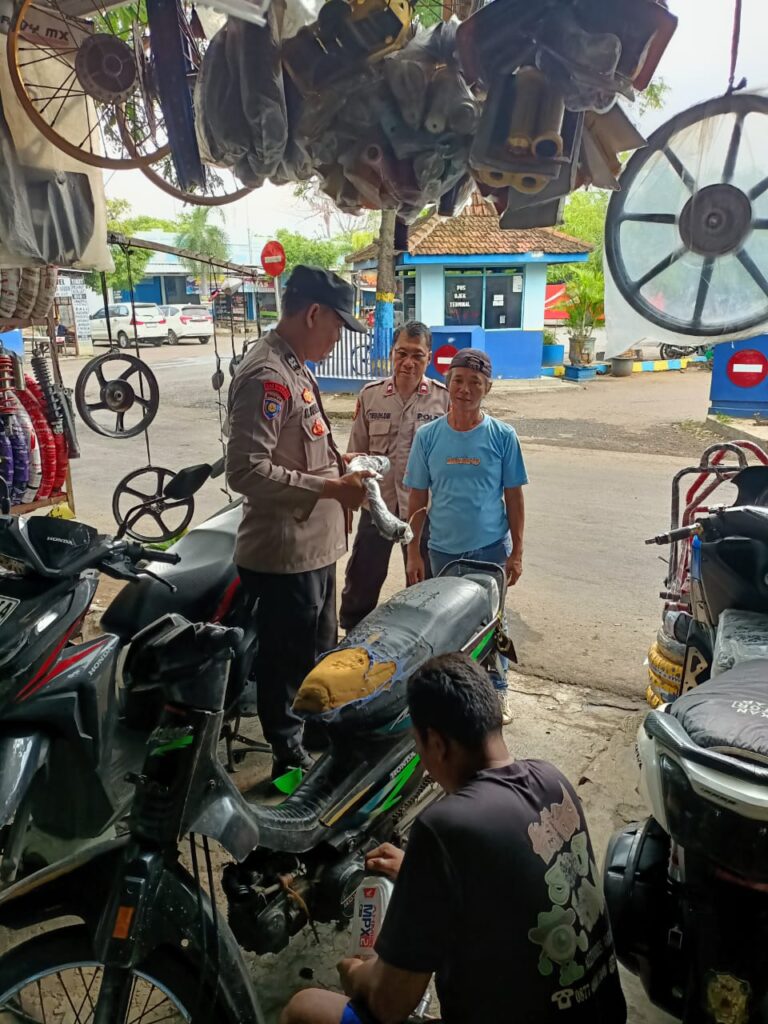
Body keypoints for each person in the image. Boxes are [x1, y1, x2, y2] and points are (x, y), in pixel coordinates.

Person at [281, 653, 627, 1024]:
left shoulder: (444, 827)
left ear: (436, 743)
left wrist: (357, 974)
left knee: (305, 1009)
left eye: (418, 743)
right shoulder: (552, 779)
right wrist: (421, 874)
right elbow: (512, 884)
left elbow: (389, 1003)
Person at [226, 265, 373, 779]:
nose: (338, 338)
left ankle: (313, 733)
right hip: (284, 552)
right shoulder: (267, 375)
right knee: (286, 661)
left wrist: (342, 465)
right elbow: (245, 469)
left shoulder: (294, 366)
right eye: (337, 326)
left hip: (315, 547)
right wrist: (331, 487)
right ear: (313, 313)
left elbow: (303, 446)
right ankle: (287, 756)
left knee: (317, 652)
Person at [403, 348, 526, 723]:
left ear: (487, 388)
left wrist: (517, 551)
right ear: (448, 384)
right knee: (444, 627)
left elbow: (514, 496)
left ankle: (498, 692)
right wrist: (413, 552)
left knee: (493, 625)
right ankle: (453, 697)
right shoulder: (428, 437)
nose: (465, 389)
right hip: (442, 552)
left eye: (475, 383)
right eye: (458, 380)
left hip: (489, 549)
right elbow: (417, 497)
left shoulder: (503, 436)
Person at [339, 321, 449, 631]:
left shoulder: (443, 400)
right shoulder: (371, 395)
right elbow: (356, 454)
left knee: (422, 585)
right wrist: (348, 503)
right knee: (362, 579)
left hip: (422, 513)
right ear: (392, 354)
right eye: (402, 353)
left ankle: (421, 643)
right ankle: (351, 637)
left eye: (418, 355)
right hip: (378, 508)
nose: (408, 363)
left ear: (429, 357)